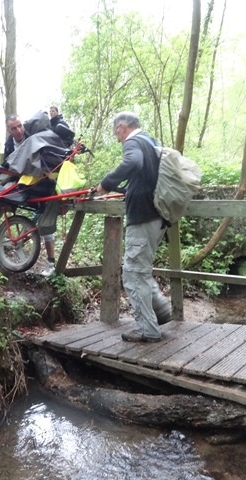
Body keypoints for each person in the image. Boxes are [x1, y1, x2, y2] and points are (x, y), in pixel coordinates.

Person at [95, 111, 171, 343]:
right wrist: (123, 190)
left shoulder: (134, 142)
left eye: (116, 131)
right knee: (141, 270)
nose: (116, 136)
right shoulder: (151, 142)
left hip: (143, 218)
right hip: (158, 217)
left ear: (123, 127)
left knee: (133, 274)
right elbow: (144, 179)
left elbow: (132, 163)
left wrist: (106, 184)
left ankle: (148, 330)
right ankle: (161, 310)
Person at [0, 113, 58, 277]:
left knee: (47, 221)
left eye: (20, 126)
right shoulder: (9, 142)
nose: (19, 130)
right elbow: (9, 163)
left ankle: (51, 263)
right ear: (9, 130)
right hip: (18, 180)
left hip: (38, 182)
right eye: (14, 128)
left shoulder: (33, 137)